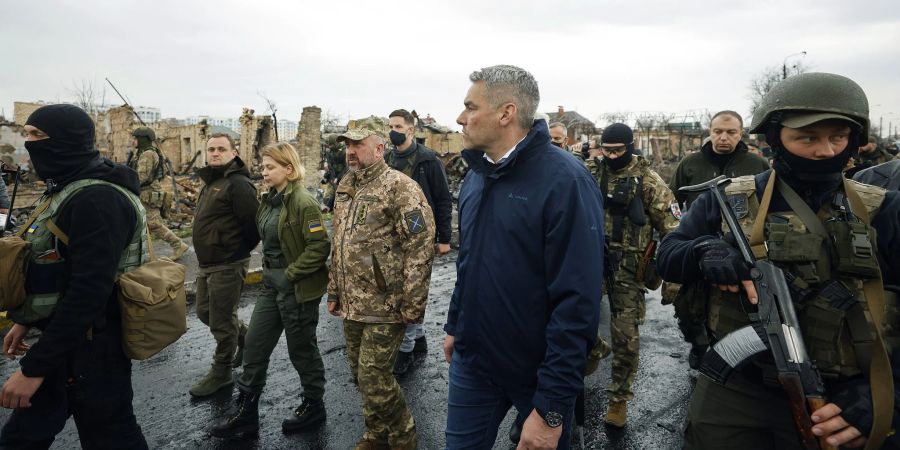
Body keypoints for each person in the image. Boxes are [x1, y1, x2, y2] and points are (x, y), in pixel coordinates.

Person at [657, 72, 900, 449]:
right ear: (775, 137)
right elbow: (668, 255)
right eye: (807, 137)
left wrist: (887, 394)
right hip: (737, 387)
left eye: (838, 137)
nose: (825, 151)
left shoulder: (884, 209)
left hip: (840, 397)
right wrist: (704, 251)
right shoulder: (730, 200)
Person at [443, 64, 605, 450]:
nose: (460, 117)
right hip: (474, 360)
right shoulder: (477, 175)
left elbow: (578, 302)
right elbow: (470, 265)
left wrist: (550, 410)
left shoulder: (566, 181)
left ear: (506, 113)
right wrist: (455, 324)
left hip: (538, 372)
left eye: (470, 106)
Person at [0, 104, 148, 448]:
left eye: (37, 135)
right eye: (27, 134)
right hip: (69, 339)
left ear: (66, 140)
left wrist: (35, 367)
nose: (28, 143)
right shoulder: (67, 187)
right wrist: (27, 318)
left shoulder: (97, 199)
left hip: (92, 346)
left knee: (110, 435)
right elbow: (55, 265)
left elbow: (88, 292)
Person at [326, 120, 436, 450]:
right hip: (352, 302)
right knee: (362, 376)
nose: (350, 151)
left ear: (379, 148)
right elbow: (339, 243)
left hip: (387, 303)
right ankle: (376, 435)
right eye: (347, 145)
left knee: (375, 377)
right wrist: (334, 290)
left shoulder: (400, 187)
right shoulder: (346, 185)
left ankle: (404, 437)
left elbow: (420, 244)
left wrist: (413, 303)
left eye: (358, 145)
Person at [210, 143, 330, 437]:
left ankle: (314, 404)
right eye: (262, 167)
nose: (263, 172)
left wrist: (290, 274)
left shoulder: (303, 202)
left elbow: (319, 247)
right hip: (270, 284)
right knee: (254, 344)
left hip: (296, 286)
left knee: (301, 349)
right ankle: (247, 411)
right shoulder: (269, 200)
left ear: (289, 169)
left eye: (270, 167)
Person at [585, 123, 679, 427]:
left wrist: (674, 275)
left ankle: (618, 399)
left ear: (630, 146)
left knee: (626, 335)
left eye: (618, 150)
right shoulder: (588, 172)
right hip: (589, 262)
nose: (611, 156)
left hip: (628, 266)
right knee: (570, 319)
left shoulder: (648, 181)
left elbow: (674, 229)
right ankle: (595, 347)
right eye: (606, 149)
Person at [666, 110, 771, 369]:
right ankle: (699, 346)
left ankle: (735, 354)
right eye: (718, 132)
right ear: (709, 132)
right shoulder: (690, 164)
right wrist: (678, 231)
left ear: (741, 134)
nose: (723, 137)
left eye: (731, 132)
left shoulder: (757, 166)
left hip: (741, 251)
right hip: (697, 246)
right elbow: (672, 201)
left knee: (740, 306)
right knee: (688, 307)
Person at [189, 133, 260, 398]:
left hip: (228, 263)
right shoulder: (212, 182)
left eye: (221, 149)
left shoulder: (238, 183)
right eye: (211, 149)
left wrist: (236, 250)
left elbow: (254, 225)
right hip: (207, 263)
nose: (215, 153)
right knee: (205, 313)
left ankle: (221, 372)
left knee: (220, 320)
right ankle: (245, 338)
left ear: (233, 152)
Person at [384, 108, 453, 376]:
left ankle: (406, 349)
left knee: (411, 290)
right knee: (400, 288)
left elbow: (444, 199)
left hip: (420, 234)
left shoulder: (428, 160)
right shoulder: (387, 158)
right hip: (393, 235)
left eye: (398, 126)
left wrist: (444, 238)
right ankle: (420, 336)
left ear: (411, 130)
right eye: (390, 125)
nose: (393, 130)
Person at [129, 127, 189, 260]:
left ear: (143, 139)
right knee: (141, 224)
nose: (133, 141)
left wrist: (127, 183)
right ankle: (142, 253)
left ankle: (178, 244)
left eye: (136, 138)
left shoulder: (147, 154)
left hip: (148, 193)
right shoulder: (142, 153)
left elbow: (142, 177)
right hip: (144, 192)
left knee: (153, 223)